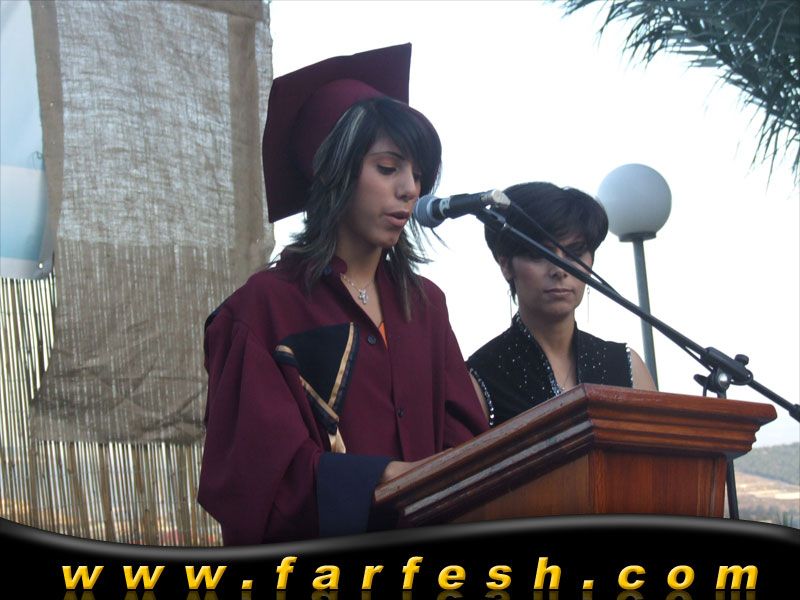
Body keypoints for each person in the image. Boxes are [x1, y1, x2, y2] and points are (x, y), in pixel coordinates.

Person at [197, 44, 488, 545]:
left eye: (418, 174)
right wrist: (379, 477)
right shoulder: (263, 309)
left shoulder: (424, 306)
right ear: (332, 171)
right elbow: (253, 477)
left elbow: (466, 438)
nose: (410, 189)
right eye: (388, 168)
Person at [467, 182, 657, 427]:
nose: (559, 269)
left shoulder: (626, 365)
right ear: (505, 264)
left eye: (574, 253)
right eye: (539, 253)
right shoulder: (480, 377)